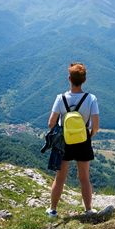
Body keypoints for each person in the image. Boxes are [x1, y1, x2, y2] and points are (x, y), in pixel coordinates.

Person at [46, 62, 99, 217]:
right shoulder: (91, 99)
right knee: (84, 177)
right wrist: (88, 136)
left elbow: (51, 123)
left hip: (64, 142)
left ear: (69, 78)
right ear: (84, 80)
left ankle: (53, 210)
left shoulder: (60, 98)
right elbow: (95, 125)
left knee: (60, 177)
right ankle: (88, 209)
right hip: (83, 141)